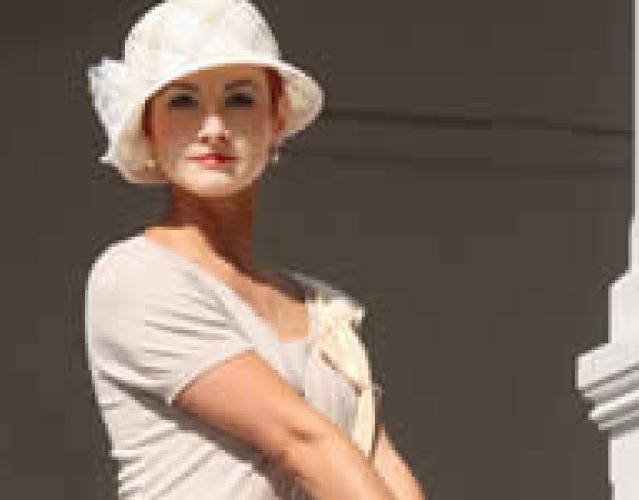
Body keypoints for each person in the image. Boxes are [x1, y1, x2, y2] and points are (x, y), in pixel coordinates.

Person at [83, 0, 426, 498]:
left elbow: (378, 460)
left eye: (240, 99)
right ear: (148, 128)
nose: (213, 128)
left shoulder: (322, 307)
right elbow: (300, 442)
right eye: (182, 102)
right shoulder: (135, 277)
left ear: (276, 117)